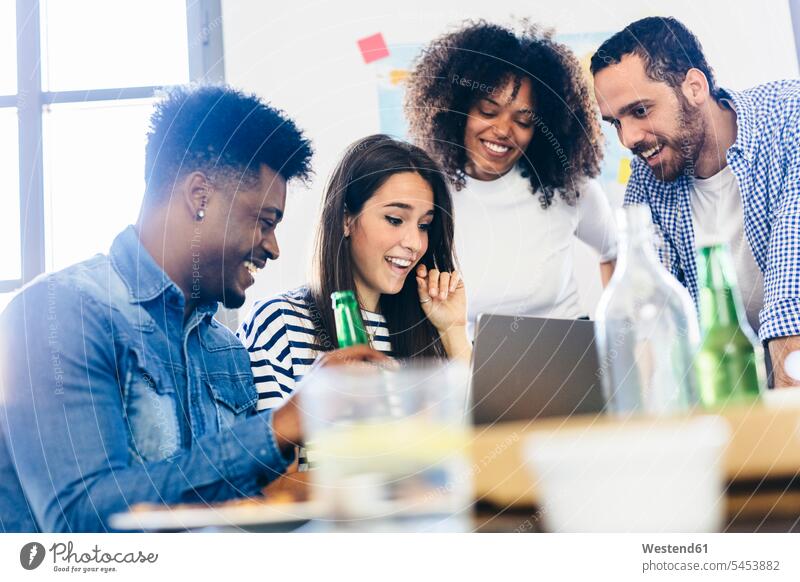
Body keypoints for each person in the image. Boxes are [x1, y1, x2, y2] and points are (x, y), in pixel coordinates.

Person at [0, 85, 386, 533]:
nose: (274, 248)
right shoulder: (57, 314)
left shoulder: (224, 350)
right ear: (200, 196)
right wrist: (282, 423)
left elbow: (234, 509)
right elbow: (83, 520)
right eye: (264, 222)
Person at [591, 16, 800, 386]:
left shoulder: (789, 120)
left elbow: (792, 302)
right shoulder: (648, 179)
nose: (628, 139)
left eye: (640, 111)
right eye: (616, 122)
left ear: (694, 87)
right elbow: (649, 327)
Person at [404, 21, 617, 335]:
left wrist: (616, 335)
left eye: (523, 120)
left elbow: (616, 253)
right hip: (474, 367)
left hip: (569, 360)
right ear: (456, 110)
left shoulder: (570, 188)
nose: (503, 130)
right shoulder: (428, 193)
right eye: (488, 112)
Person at [238, 134, 469, 411]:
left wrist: (454, 331)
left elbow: (486, 439)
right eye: (395, 219)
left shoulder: (427, 327)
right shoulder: (280, 323)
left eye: (424, 225)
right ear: (347, 219)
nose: (414, 243)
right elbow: (268, 449)